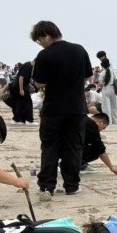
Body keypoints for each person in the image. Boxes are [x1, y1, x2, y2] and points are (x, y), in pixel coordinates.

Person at [30, 20, 93, 201]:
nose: (40, 44)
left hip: (54, 109)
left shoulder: (44, 55)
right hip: (77, 108)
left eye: (39, 40)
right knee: (74, 147)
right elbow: (88, 76)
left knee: (50, 147)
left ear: (46, 36)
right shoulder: (79, 50)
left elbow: (39, 83)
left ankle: (47, 186)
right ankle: (72, 186)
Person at [12, 60, 34, 124]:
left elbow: (25, 78)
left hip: (21, 86)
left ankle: (16, 119)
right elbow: (21, 77)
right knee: (28, 103)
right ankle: (29, 120)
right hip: (21, 86)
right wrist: (21, 89)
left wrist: (30, 85)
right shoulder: (28, 66)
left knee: (21, 103)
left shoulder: (28, 65)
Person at [98, 58, 117, 124]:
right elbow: (115, 80)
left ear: (102, 65)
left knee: (106, 106)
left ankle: (108, 121)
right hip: (112, 88)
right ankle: (115, 120)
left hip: (105, 88)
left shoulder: (102, 73)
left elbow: (100, 83)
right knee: (113, 105)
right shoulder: (112, 72)